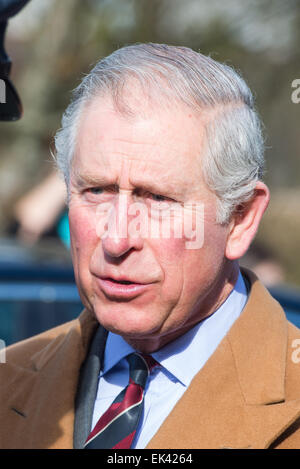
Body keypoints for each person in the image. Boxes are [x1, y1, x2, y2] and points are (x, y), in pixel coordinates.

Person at [1, 43, 299, 450]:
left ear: (240, 218)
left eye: (157, 199)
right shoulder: (8, 380)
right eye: (97, 190)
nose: (117, 238)